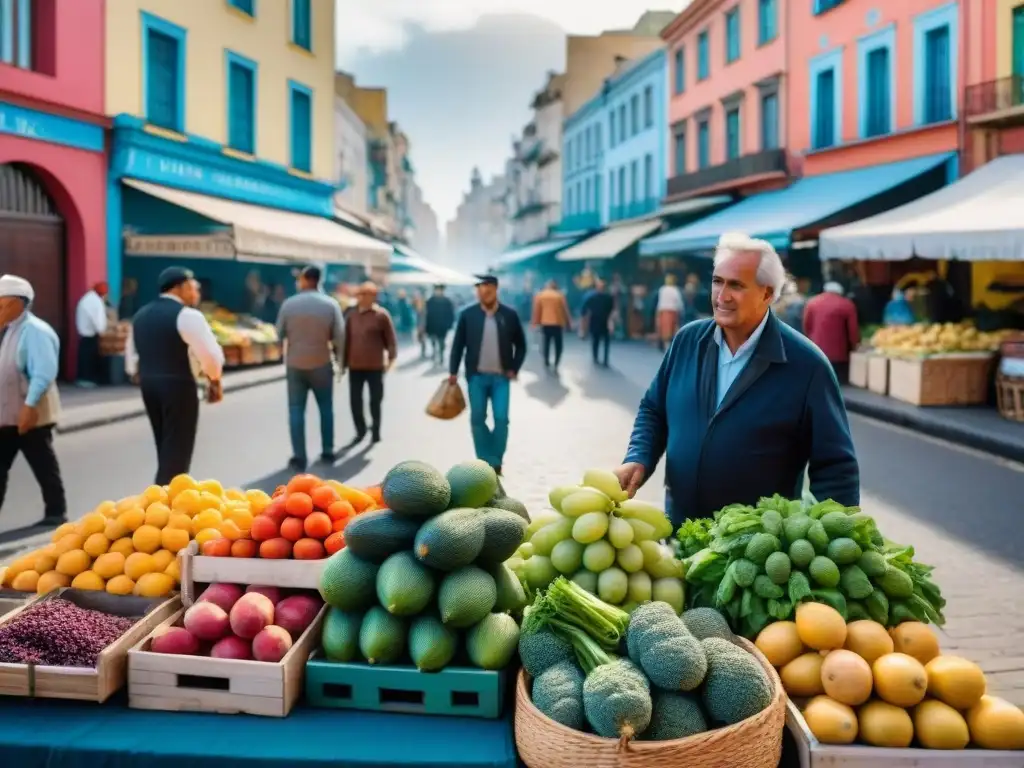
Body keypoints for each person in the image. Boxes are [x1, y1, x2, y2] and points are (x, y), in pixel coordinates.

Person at [614, 233, 859, 524]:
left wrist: (829, 539)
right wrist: (638, 457)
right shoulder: (687, 341)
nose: (722, 296)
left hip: (755, 551)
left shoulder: (807, 365)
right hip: (681, 530)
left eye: (736, 285)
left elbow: (836, 469)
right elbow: (654, 409)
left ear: (767, 294)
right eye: (718, 281)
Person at [126, 267, 225, 485]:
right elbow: (210, 355)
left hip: (149, 385)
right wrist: (214, 379)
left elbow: (131, 355)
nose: (197, 292)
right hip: (178, 385)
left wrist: (140, 374)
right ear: (180, 287)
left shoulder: (141, 315)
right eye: (193, 287)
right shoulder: (187, 316)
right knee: (178, 449)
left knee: (164, 444)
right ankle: (165, 502)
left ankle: (163, 496)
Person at [0, 275, 66, 526]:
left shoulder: (35, 331)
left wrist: (29, 406)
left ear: (20, 302)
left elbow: (44, 372)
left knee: (43, 462)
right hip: (7, 413)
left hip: (32, 412)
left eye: (2, 304)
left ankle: (56, 511)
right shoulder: (8, 330)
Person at [449, 274, 526, 476]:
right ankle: (484, 460)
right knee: (477, 418)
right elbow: (458, 346)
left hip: (502, 378)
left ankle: (496, 459)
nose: (485, 292)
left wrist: (514, 368)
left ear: (495, 289)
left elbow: (521, 345)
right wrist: (452, 372)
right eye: (481, 289)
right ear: (478, 292)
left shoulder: (509, 315)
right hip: (476, 377)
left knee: (501, 419)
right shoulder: (468, 315)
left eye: (488, 288)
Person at [276, 265, 346, 470]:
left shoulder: (289, 304)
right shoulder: (330, 304)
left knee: (296, 410)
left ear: (306, 279)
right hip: (322, 363)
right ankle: (327, 451)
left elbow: (278, 334)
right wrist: (340, 364)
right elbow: (339, 337)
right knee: (326, 408)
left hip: (295, 364)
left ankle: (299, 456)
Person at [343, 282, 397, 445]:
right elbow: (345, 339)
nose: (364, 298)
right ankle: (360, 430)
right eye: (362, 294)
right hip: (355, 365)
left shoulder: (381, 315)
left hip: (375, 366)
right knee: (355, 400)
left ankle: (376, 429)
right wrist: (342, 362)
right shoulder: (350, 315)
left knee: (375, 399)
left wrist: (391, 359)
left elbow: (390, 340)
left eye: (369, 295)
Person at [803, 281, 860, 384]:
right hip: (838, 353)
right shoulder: (846, 304)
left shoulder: (812, 302)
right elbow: (853, 329)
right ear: (840, 292)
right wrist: (854, 345)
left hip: (816, 349)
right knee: (838, 382)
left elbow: (807, 325)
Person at [531, 279, 571, 371]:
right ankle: (557, 362)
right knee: (558, 344)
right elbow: (566, 310)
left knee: (546, 343)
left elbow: (536, 311)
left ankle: (546, 361)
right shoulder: (560, 295)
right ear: (555, 286)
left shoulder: (540, 295)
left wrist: (534, 323)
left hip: (545, 323)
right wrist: (569, 323)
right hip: (558, 323)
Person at [75, 281, 108, 387]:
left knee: (84, 358)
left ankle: (83, 378)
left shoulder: (87, 299)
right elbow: (97, 319)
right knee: (89, 359)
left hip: (84, 334)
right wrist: (102, 330)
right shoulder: (95, 302)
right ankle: (87, 380)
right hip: (90, 335)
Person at [582, 278, 615, 367]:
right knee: (595, 340)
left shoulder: (608, 298)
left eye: (602, 286)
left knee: (606, 341)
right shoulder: (592, 298)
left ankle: (605, 360)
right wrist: (584, 324)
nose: (601, 288)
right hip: (595, 321)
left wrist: (611, 322)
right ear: (596, 287)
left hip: (605, 321)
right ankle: (595, 357)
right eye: (599, 286)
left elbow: (612, 310)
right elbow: (585, 310)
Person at [424, 284, 456, 365]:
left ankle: (441, 356)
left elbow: (451, 314)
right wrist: (426, 326)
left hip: (442, 326)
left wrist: (449, 324)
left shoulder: (447, 301)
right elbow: (426, 314)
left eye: (440, 290)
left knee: (442, 342)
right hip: (432, 325)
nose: (438, 291)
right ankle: (434, 354)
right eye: (437, 290)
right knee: (433, 342)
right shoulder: (430, 301)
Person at [656, 274, 684, 350]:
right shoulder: (675, 290)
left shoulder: (663, 289)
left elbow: (660, 301)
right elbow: (678, 301)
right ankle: (670, 346)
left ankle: (667, 346)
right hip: (672, 310)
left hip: (664, 310)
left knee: (666, 328)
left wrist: (658, 311)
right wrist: (681, 309)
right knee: (672, 327)